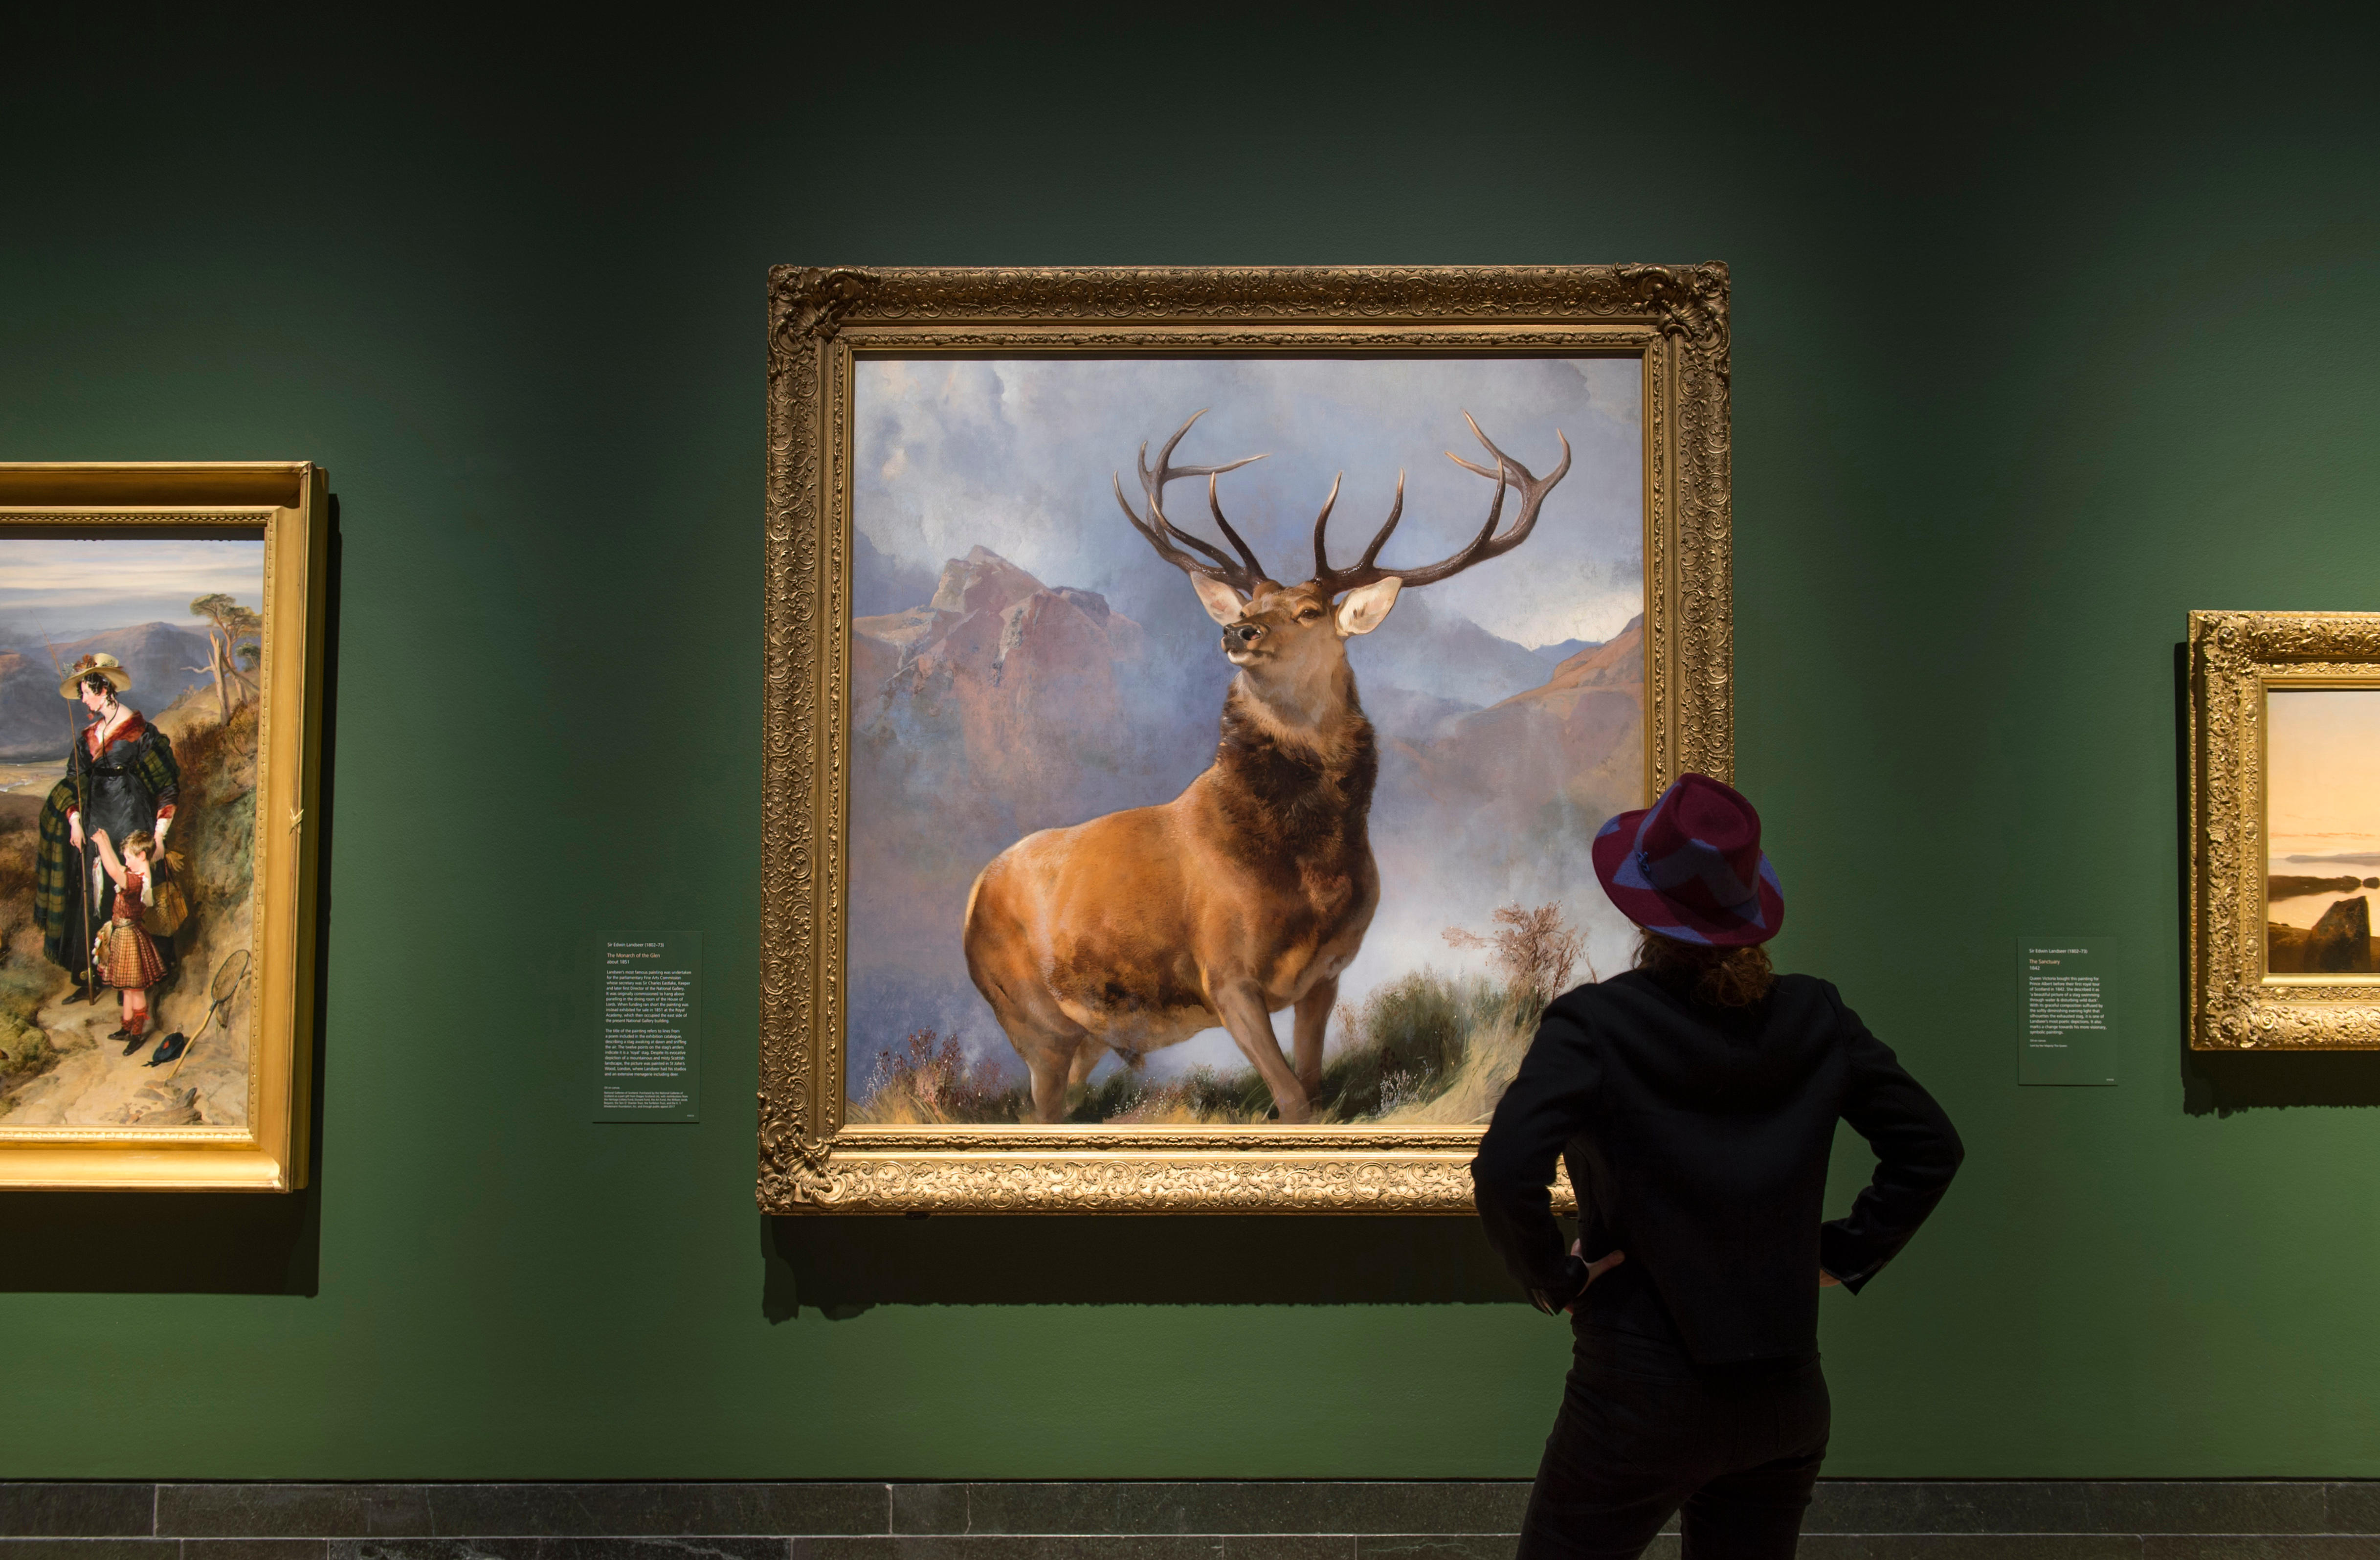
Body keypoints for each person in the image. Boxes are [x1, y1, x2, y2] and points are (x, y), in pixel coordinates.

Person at [1472, 773, 1963, 1560]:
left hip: (1638, 1395)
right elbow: (1930, 1147)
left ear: (1642, 908)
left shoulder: (1596, 1024)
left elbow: (1503, 1169)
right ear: (1747, 910)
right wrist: (1837, 1252)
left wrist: (1554, 1279)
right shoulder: (1815, 1015)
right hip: (1785, 1399)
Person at [34, 653, 181, 996]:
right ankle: (95, 974)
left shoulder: (140, 732)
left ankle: (133, 980)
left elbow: (167, 786)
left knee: (129, 897)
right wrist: (73, 820)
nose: (82, 698)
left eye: (85, 690)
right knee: (94, 894)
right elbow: (74, 781)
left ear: (104, 689)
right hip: (96, 820)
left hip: (131, 818)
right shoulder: (89, 734)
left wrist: (159, 837)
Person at [89, 827, 169, 1051]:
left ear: (142, 856)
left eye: (129, 857)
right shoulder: (136, 875)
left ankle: (136, 1034)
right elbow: (118, 867)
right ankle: (126, 1028)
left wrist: (103, 845)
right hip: (123, 935)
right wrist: (104, 840)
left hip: (130, 937)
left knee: (135, 989)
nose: (126, 861)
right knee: (126, 989)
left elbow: (114, 870)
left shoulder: (137, 882)